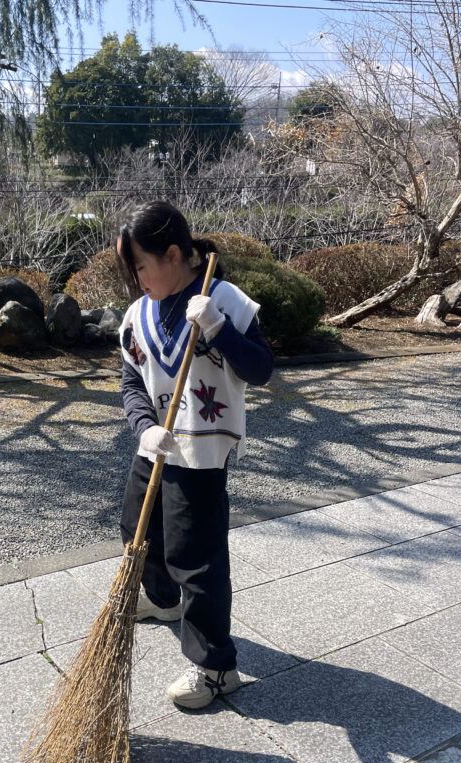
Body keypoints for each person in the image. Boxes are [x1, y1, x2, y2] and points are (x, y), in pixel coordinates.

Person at [116, 200, 274, 709]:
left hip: (201, 454)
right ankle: (163, 601)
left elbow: (260, 369)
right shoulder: (138, 314)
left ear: (173, 254)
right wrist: (144, 429)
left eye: (141, 266)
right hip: (157, 447)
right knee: (139, 531)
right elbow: (131, 382)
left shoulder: (222, 299)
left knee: (196, 559)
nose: (137, 279)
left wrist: (219, 328)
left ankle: (215, 667)